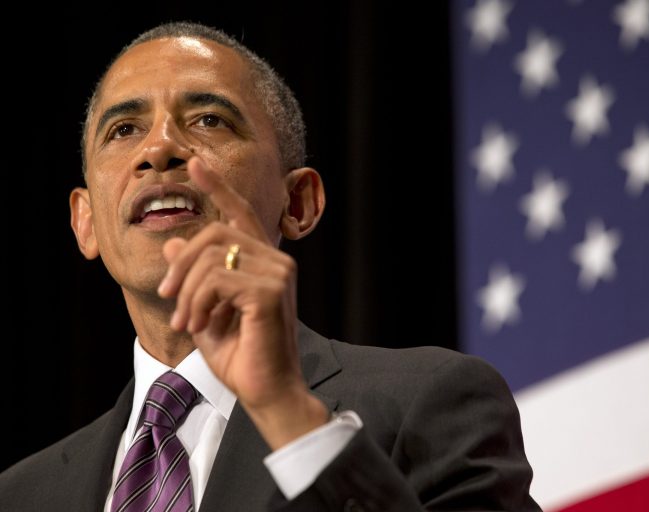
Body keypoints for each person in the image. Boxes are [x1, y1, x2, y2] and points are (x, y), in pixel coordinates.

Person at [0, 21, 540, 511]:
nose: (159, 148)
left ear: (298, 202)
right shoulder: (23, 494)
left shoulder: (428, 405)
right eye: (123, 130)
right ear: (85, 221)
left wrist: (288, 414)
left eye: (209, 120)